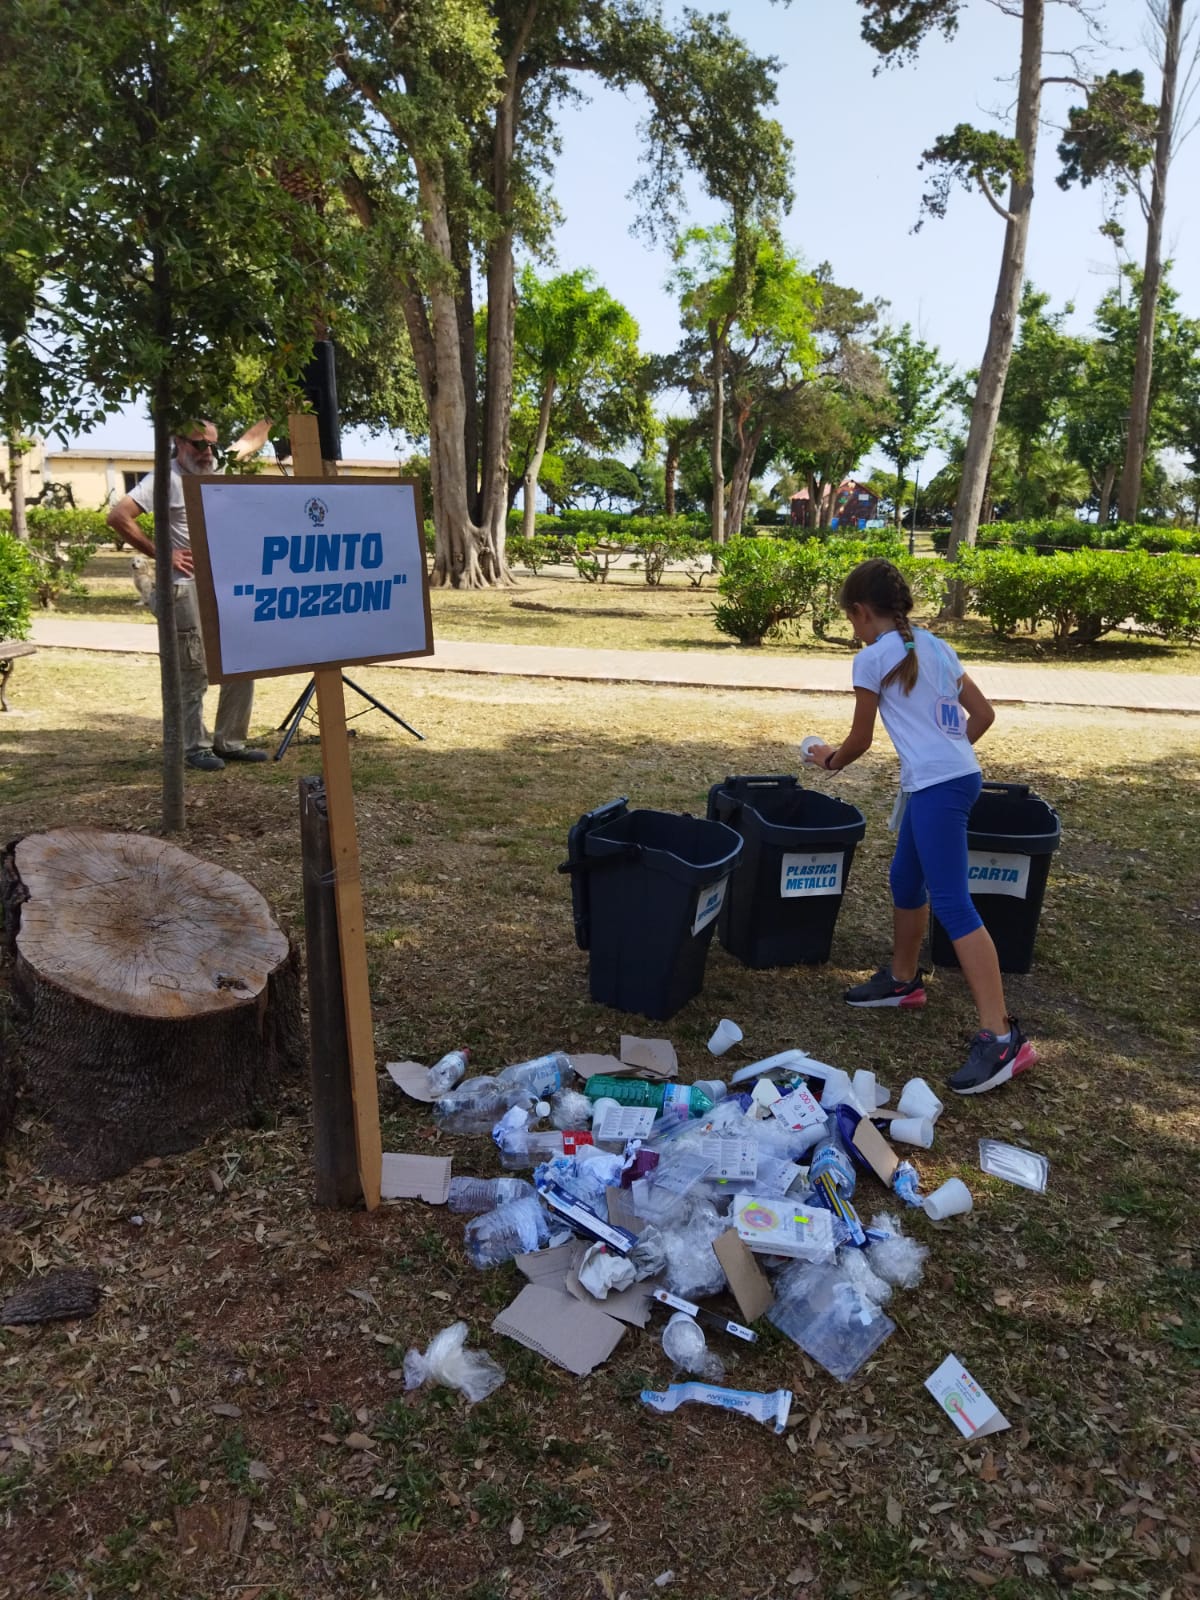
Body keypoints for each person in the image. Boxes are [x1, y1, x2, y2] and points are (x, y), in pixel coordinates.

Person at [803, 557, 1036, 1096]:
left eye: (851, 620)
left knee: (953, 904)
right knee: (906, 881)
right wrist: (948, 755)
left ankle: (1003, 1038)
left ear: (861, 611)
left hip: (939, 788)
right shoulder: (937, 646)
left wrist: (826, 759)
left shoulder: (870, 659)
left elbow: (859, 740)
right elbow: (984, 715)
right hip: (951, 779)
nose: (854, 629)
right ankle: (904, 981)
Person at [107, 422, 266, 771]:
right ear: (178, 442)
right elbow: (118, 517)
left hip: (225, 584)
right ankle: (196, 746)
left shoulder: (217, 464)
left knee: (242, 661)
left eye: (212, 444)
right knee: (194, 667)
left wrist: (279, 411)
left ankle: (230, 741)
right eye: (198, 444)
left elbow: (250, 441)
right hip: (185, 587)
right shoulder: (165, 479)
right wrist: (163, 554)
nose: (207, 452)